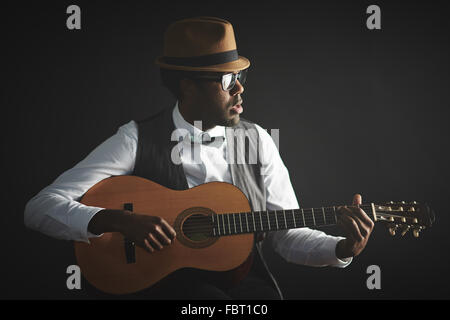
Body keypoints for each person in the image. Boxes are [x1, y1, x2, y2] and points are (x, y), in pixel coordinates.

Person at [24, 16, 374, 299]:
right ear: (188, 86)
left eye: (240, 76)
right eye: (226, 81)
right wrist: (114, 220)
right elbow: (39, 207)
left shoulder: (257, 140)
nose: (239, 89)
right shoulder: (135, 139)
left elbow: (285, 235)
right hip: (157, 285)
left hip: (242, 286)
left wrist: (342, 247)